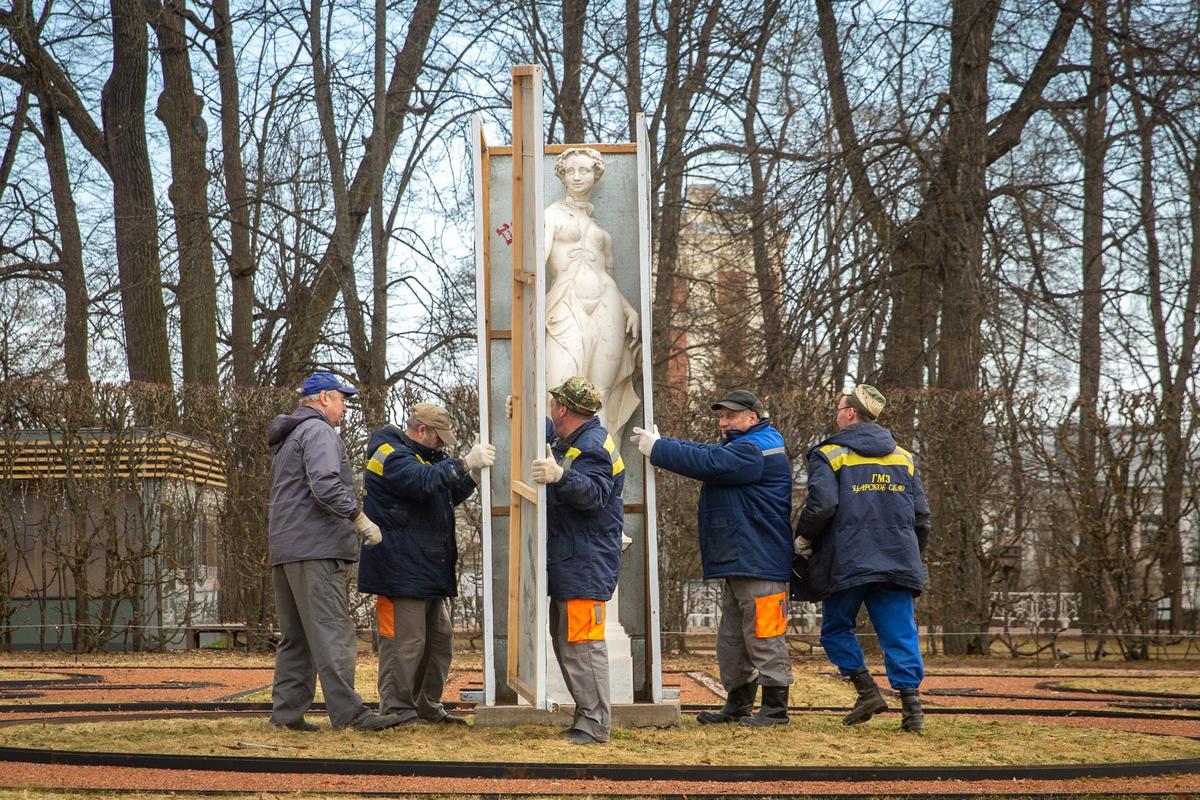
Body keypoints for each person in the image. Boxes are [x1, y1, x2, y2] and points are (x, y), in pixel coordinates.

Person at [631, 389, 793, 727]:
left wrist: (660, 450)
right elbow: (707, 452)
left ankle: (775, 711)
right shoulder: (746, 443)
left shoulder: (757, 447)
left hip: (759, 560)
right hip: (743, 560)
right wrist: (666, 444)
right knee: (732, 642)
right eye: (721, 416)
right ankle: (737, 705)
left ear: (753, 417)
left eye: (730, 416)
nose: (723, 422)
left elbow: (710, 462)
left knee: (765, 636)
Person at [266, 371, 401, 732]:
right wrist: (359, 518)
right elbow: (324, 484)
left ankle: (287, 715)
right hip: (316, 548)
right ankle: (350, 715)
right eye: (342, 399)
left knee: (296, 637)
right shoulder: (319, 432)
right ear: (324, 398)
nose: (345, 407)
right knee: (332, 632)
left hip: (286, 549)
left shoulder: (291, 434)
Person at [794, 384, 932, 733]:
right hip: (897, 559)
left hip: (847, 559)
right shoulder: (903, 456)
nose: (837, 413)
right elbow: (921, 517)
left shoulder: (829, 454)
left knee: (836, 629)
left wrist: (805, 538)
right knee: (900, 633)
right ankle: (913, 711)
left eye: (840, 408)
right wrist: (910, 553)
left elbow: (822, 505)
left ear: (851, 413)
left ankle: (866, 690)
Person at [357, 403, 496, 725]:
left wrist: (471, 476)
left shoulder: (424, 457)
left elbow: (439, 493)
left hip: (425, 568)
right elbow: (419, 482)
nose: (442, 445)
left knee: (438, 641)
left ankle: (425, 705)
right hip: (397, 570)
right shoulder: (389, 455)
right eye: (438, 438)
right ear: (421, 430)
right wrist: (463, 464)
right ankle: (397, 710)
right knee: (404, 644)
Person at [527, 376, 625, 745]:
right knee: (570, 643)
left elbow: (595, 493)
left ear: (564, 408)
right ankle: (588, 718)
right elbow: (549, 433)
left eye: (554, 404)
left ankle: (596, 724)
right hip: (576, 561)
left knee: (583, 646)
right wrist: (519, 416)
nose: (551, 409)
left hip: (585, 562)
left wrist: (559, 477)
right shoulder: (577, 440)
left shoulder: (592, 447)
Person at [544, 146, 640, 443]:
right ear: (561, 176)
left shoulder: (600, 231)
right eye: (570, 171)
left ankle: (603, 470)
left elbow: (607, 279)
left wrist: (629, 309)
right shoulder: (551, 215)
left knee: (601, 393)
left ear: (595, 175)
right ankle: (552, 466)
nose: (576, 176)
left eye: (584, 170)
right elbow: (534, 264)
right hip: (566, 303)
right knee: (558, 387)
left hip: (606, 306)